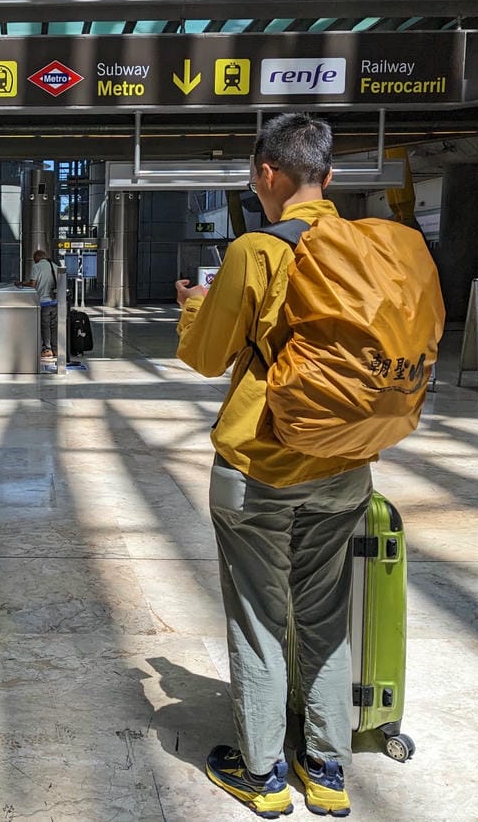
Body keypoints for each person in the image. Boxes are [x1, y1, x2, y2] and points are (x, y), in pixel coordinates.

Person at [175, 114, 380, 819]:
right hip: (347, 465)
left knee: (260, 619)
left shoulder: (256, 250)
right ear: (330, 175)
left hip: (260, 469)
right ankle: (325, 769)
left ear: (267, 173)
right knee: (325, 617)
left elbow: (205, 358)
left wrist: (192, 311)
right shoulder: (368, 247)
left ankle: (261, 773)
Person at [17, 249, 58, 358]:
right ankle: (56, 349)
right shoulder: (54, 266)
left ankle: (47, 349)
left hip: (43, 302)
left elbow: (33, 284)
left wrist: (21, 283)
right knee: (53, 326)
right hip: (55, 301)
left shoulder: (37, 267)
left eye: (35, 259)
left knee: (45, 326)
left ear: (37, 258)